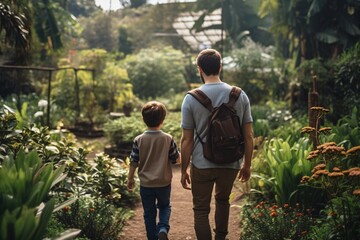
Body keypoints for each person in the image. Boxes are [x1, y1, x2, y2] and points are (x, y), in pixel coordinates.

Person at [180, 49, 254, 240]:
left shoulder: (191, 98)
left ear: (199, 69)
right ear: (220, 67)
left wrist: (183, 169)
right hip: (230, 162)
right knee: (223, 201)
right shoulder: (240, 95)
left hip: (201, 163)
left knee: (201, 210)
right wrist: (247, 164)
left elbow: (186, 140)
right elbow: (249, 135)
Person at [127, 101, 180, 240]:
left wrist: (130, 178)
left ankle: (152, 237)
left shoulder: (139, 140)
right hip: (163, 182)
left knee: (149, 212)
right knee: (164, 207)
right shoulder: (168, 139)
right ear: (162, 120)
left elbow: (134, 161)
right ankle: (162, 228)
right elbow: (176, 160)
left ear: (144, 119)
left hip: (146, 184)